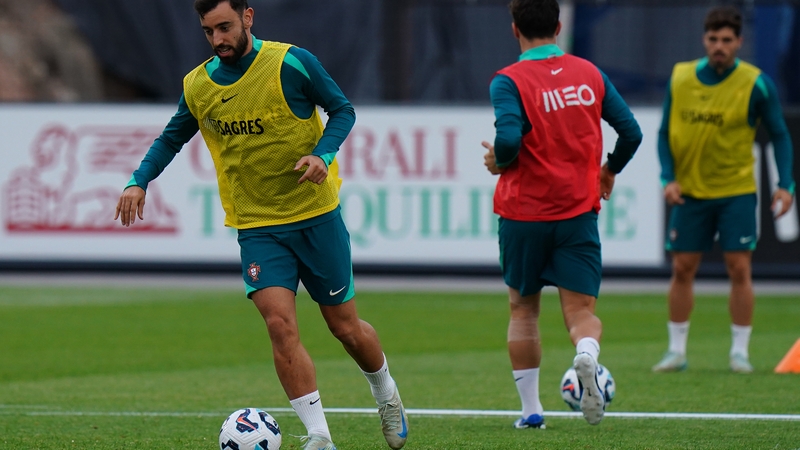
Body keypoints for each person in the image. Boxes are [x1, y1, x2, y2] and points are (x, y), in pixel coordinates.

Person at [113, 1, 408, 449]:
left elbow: (342, 110)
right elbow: (171, 137)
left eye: (225, 28)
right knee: (279, 325)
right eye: (209, 32)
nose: (218, 40)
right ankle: (319, 436)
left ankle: (385, 393)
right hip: (257, 226)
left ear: (248, 17)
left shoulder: (290, 62)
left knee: (345, 328)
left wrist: (323, 154)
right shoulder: (198, 85)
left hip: (315, 216)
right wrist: (139, 181)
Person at [482, 0, 642, 429]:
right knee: (580, 311)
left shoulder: (509, 80)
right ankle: (586, 355)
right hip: (576, 212)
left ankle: (531, 411)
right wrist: (609, 170)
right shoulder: (589, 74)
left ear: (515, 30)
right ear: (557, 25)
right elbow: (631, 132)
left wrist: (499, 160)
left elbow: (510, 140)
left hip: (523, 214)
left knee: (523, 310)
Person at [653, 6, 795, 374]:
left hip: (735, 190)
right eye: (713, 39)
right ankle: (676, 351)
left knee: (739, 268)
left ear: (739, 42)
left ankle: (739, 352)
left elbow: (780, 134)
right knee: (683, 268)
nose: (719, 46)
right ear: (705, 40)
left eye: (727, 40)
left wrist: (785, 185)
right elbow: (664, 133)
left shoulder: (755, 83)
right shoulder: (681, 77)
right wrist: (668, 178)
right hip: (691, 191)